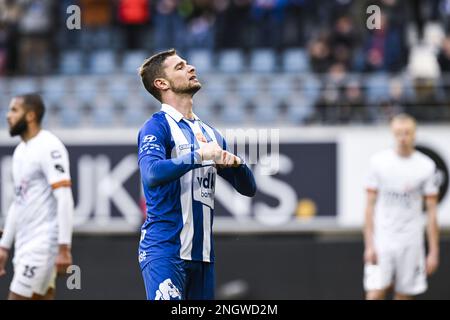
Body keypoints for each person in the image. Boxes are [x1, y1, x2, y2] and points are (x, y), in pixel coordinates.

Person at [137, 49, 257, 300]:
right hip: (164, 250)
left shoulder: (211, 134)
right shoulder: (156, 126)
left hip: (202, 256)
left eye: (187, 64)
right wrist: (198, 156)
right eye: (180, 67)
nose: (191, 67)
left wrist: (236, 164)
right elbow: (151, 173)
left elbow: (248, 188)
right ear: (162, 83)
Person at [0, 94, 74, 300]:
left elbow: (64, 198)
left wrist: (63, 248)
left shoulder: (49, 146)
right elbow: (19, 201)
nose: (8, 116)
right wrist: (4, 247)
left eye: (14, 110)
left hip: (43, 247)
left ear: (30, 115)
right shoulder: (20, 151)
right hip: (25, 246)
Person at [363, 113, 440, 300]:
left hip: (411, 241)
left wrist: (433, 251)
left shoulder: (426, 166)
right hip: (383, 239)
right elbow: (369, 208)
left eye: (407, 133)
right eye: (398, 133)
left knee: (404, 294)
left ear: (414, 134)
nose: (403, 137)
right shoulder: (379, 162)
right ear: (392, 134)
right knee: (375, 292)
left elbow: (431, 213)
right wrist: (369, 245)